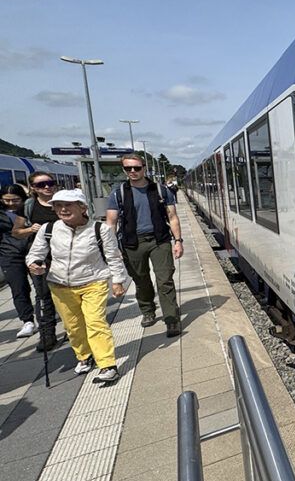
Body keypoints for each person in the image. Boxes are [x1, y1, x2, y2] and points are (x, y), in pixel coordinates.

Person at [26, 189, 129, 382]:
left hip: (93, 282)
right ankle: (84, 356)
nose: (62, 209)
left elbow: (113, 257)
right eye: (58, 206)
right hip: (60, 285)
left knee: (95, 322)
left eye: (68, 205)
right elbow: (35, 253)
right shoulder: (48, 229)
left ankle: (107, 365)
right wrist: (34, 264)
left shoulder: (100, 229)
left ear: (82, 207)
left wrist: (118, 281)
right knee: (73, 326)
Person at [105, 153, 184, 337]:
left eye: (136, 168)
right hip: (132, 243)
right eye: (128, 168)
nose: (132, 171)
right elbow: (111, 222)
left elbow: (172, 217)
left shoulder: (160, 190)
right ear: (124, 170)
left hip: (159, 240)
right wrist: (112, 246)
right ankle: (148, 310)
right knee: (141, 280)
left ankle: (172, 319)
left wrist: (178, 241)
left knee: (165, 280)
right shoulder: (119, 194)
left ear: (144, 168)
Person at [12, 171, 60, 351]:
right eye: (41, 185)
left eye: (49, 182)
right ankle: (47, 336)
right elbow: (16, 231)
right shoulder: (28, 206)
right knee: (43, 296)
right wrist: (30, 229)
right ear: (33, 188)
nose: (47, 187)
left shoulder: (64, 201)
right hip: (42, 257)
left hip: (66, 255)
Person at [1, 184, 37, 338]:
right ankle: (27, 320)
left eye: (15, 200)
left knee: (42, 285)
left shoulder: (31, 209)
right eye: (6, 200)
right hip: (9, 254)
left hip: (32, 250)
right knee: (18, 288)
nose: (11, 203)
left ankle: (48, 312)